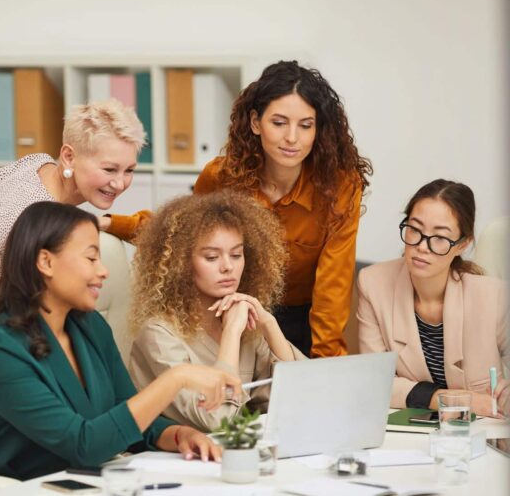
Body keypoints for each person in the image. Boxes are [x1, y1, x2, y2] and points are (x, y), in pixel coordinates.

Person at [107, 61, 373, 358]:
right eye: (279, 123)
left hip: (306, 320)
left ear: (318, 129)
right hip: (233, 312)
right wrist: (109, 223)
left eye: (305, 125)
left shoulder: (340, 185)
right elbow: (179, 231)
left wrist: (324, 367)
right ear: (256, 122)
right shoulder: (222, 176)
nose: (292, 138)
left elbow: (332, 288)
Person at [0, 201, 242, 480]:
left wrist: (178, 434)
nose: (103, 271)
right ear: (46, 262)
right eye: (91, 258)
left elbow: (126, 413)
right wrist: (176, 379)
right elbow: (84, 446)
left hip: (81, 483)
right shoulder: (0, 352)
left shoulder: (90, 327)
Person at [0, 99, 150, 325]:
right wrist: (5, 228)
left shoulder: (35, 164)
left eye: (129, 170)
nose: (119, 183)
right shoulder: (42, 226)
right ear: (68, 156)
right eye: (109, 169)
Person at [128, 191, 305, 432]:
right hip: (176, 461)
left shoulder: (248, 325)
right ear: (181, 264)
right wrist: (231, 333)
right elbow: (217, 421)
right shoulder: (159, 335)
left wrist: (269, 324)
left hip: (232, 456)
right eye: (211, 257)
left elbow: (301, 399)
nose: (228, 267)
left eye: (236, 255)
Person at [357, 179, 509, 416]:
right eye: (415, 229)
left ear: (463, 244)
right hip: (410, 435)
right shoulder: (373, 284)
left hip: (484, 438)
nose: (422, 246)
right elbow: (374, 381)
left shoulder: (494, 297)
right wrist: (452, 399)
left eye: (440, 237)